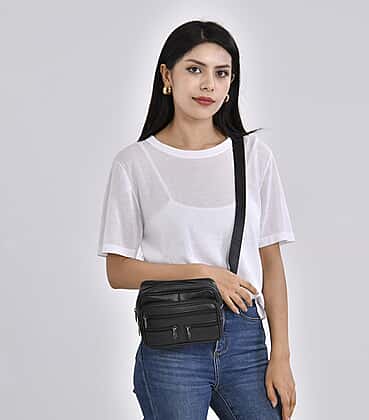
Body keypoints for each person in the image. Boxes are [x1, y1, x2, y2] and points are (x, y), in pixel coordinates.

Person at [97, 20, 297, 420]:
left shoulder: (253, 156)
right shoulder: (135, 163)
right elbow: (118, 271)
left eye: (221, 73)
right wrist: (204, 274)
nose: (208, 84)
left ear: (231, 84)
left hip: (245, 341)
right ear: (167, 76)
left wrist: (282, 356)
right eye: (194, 69)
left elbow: (272, 265)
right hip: (172, 344)